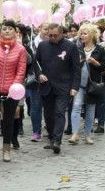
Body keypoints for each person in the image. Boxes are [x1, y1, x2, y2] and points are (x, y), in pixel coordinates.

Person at [0, 21, 27, 162]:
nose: (7, 31)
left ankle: (6, 150)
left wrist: (14, 87)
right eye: (4, 29)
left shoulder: (21, 50)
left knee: (8, 120)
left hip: (11, 91)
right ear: (0, 31)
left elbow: (21, 71)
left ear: (15, 32)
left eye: (10, 29)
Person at [34, 23, 80, 154]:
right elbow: (35, 64)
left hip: (63, 85)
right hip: (46, 85)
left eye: (55, 35)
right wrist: (39, 75)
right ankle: (51, 137)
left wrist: (75, 86)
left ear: (62, 34)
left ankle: (57, 141)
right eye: (50, 35)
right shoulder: (43, 45)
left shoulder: (70, 46)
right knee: (48, 115)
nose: (52, 38)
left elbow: (76, 68)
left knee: (60, 112)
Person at [69, 24, 105, 145]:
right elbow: (71, 65)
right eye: (81, 33)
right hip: (79, 82)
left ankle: (87, 135)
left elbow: (104, 67)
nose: (82, 36)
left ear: (92, 35)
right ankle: (75, 134)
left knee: (90, 110)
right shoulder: (77, 48)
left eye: (85, 33)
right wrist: (78, 63)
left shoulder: (99, 49)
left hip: (93, 83)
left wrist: (95, 62)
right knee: (76, 106)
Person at [28, 23, 49, 142]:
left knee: (49, 106)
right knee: (36, 106)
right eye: (45, 29)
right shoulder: (31, 43)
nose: (47, 32)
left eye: (49, 30)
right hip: (35, 79)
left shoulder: (55, 43)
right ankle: (36, 131)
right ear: (40, 29)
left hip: (50, 78)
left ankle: (49, 128)